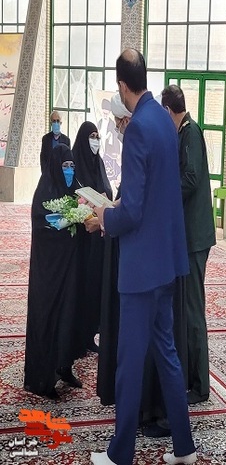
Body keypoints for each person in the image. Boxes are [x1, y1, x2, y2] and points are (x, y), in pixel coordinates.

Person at [90, 49, 196, 465]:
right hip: (165, 262)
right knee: (167, 354)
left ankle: (120, 455)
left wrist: (104, 216)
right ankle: (184, 446)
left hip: (141, 269)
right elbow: (156, 195)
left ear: (121, 85)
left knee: (129, 364)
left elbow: (132, 211)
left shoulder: (137, 129)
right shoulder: (164, 121)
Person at [140, 84, 216, 437]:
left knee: (192, 309)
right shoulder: (183, 132)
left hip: (195, 239)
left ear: (171, 111)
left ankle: (200, 384)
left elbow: (191, 178)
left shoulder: (190, 133)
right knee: (186, 308)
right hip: (187, 237)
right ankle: (192, 377)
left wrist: (162, 191)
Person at [24, 144, 82, 400]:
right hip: (48, 273)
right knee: (48, 317)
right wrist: (61, 224)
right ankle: (42, 379)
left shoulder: (74, 192)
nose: (69, 171)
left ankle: (64, 367)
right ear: (54, 168)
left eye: (72, 166)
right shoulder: (44, 192)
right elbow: (41, 226)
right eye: (64, 166)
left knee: (69, 316)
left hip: (69, 270)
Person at [94, 93, 130, 407]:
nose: (117, 128)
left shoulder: (138, 146)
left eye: (119, 122)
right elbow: (127, 198)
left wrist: (105, 217)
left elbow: (133, 210)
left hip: (138, 263)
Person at [73, 121, 113, 356]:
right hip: (82, 240)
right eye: (92, 136)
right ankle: (76, 337)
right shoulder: (75, 165)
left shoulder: (99, 164)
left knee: (95, 286)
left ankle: (90, 335)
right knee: (81, 286)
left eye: (98, 136)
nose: (95, 141)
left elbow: (107, 192)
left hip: (98, 238)